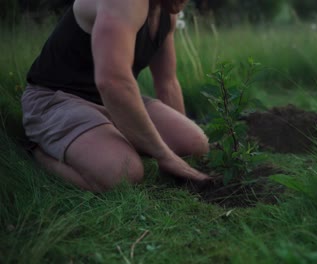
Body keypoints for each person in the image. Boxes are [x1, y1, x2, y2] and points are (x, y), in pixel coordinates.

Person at [21, 0, 212, 192]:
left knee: (195, 143)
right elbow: (113, 82)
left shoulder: (166, 12)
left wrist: (179, 157)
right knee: (124, 173)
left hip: (113, 101)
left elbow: (167, 82)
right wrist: (165, 155)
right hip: (57, 100)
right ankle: (39, 153)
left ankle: (105, 141)